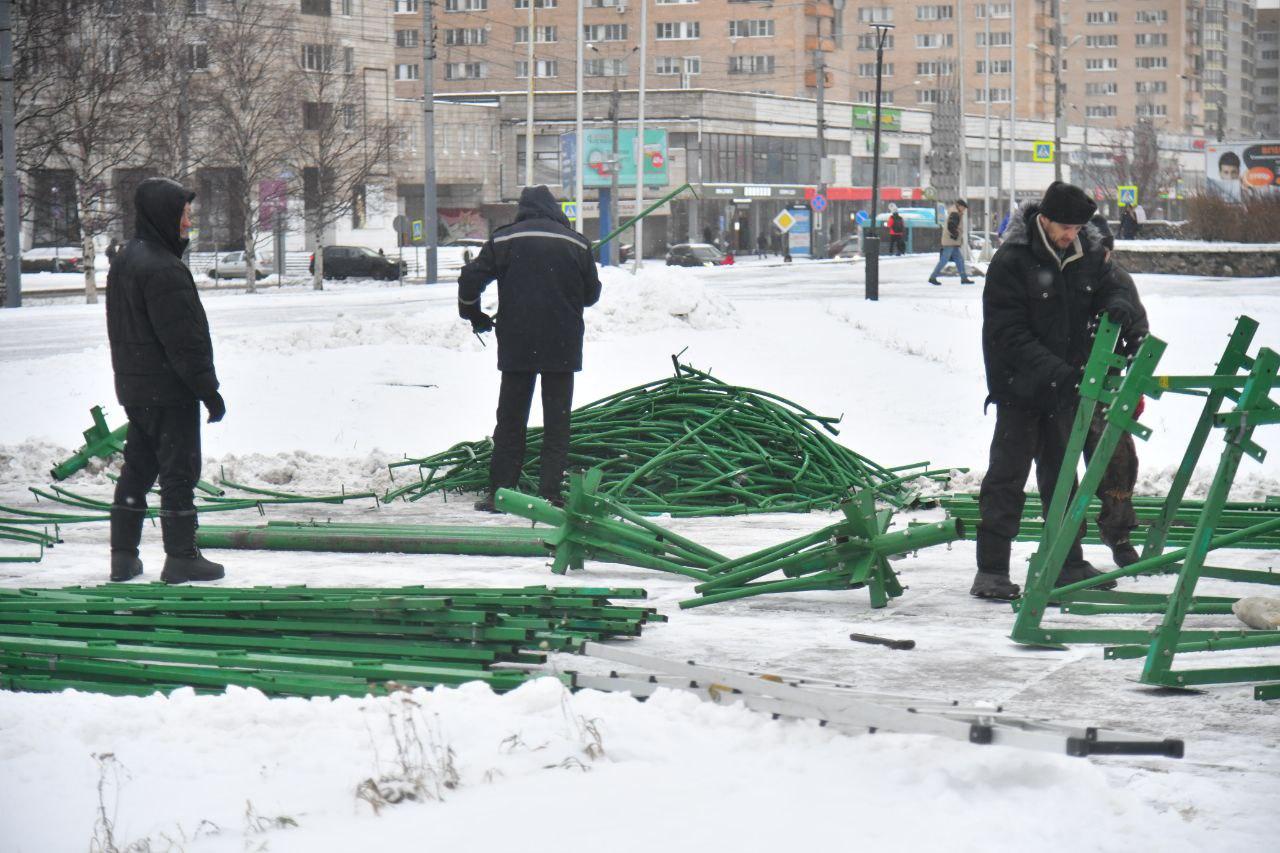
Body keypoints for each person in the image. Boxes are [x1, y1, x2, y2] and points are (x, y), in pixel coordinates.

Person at [971, 181, 1142, 600]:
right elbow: (1008, 334)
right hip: (1020, 389)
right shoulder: (1013, 261)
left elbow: (1114, 285)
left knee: (1063, 479)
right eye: (1064, 227)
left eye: (1077, 227)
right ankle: (991, 569)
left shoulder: (1088, 255)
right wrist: (1060, 373)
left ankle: (1067, 559)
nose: (1071, 235)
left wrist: (1119, 303)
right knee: (1007, 479)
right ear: (1043, 219)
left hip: (1067, 390)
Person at [105, 178, 226, 585]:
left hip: (135, 388)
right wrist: (208, 391)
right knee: (179, 472)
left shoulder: (126, 260)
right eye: (184, 212)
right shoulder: (164, 268)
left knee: (137, 469)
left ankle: (123, 556)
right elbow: (184, 340)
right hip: (169, 388)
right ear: (164, 214)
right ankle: (181, 557)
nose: (189, 220)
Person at [458, 185, 602, 511]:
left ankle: (502, 492)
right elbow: (591, 295)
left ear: (522, 209)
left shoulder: (504, 239)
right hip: (562, 345)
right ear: (554, 208)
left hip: (517, 344)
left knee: (510, 421)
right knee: (557, 423)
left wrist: (474, 313)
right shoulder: (576, 243)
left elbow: (470, 279)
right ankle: (550, 494)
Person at [1083, 214, 1149, 568]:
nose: (1105, 257)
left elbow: (1139, 332)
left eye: (1109, 251)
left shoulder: (1119, 279)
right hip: (1062, 383)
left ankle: (1119, 534)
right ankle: (1065, 539)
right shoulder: (1066, 278)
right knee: (1059, 468)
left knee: (1118, 462)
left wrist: (1133, 382)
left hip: (1107, 387)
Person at [928, 200, 974, 286]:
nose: (964, 210)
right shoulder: (955, 214)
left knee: (959, 260)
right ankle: (933, 277)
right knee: (944, 261)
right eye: (963, 208)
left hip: (953, 242)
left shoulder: (954, 212)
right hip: (950, 241)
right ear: (959, 206)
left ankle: (964, 278)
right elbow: (951, 226)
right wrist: (955, 235)